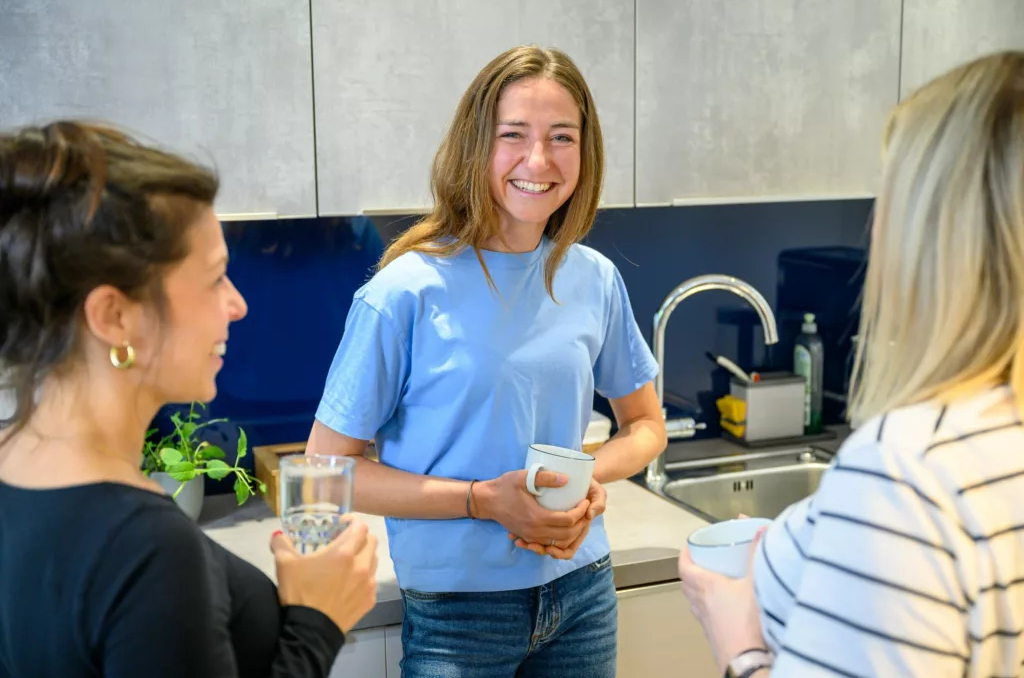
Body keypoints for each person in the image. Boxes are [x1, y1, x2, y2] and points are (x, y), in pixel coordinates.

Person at [305, 45, 668, 677]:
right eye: (513, 135)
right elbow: (324, 474)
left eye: (562, 137)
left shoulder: (594, 279)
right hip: (458, 616)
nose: (539, 160)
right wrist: (484, 500)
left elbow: (646, 427)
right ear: (476, 145)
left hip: (582, 595)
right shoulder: (404, 293)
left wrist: (582, 485)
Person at [679, 50, 1024, 677]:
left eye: (889, 194)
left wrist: (739, 646)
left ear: (930, 230)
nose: (872, 228)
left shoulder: (906, 472)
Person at [0, 121, 378, 678]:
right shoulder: (149, 550)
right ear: (114, 316)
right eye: (216, 277)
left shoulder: (15, 472)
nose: (238, 304)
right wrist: (318, 621)